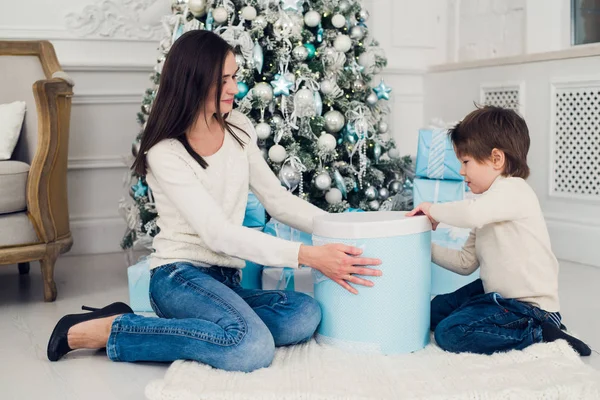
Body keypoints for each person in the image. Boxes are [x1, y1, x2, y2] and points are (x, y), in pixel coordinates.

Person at [47, 30, 382, 371]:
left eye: (234, 77)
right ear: (193, 80)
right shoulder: (166, 152)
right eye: (223, 80)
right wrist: (309, 256)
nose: (235, 88)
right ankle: (110, 330)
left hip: (225, 280)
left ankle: (207, 330)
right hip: (178, 276)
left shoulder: (238, 127)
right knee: (250, 348)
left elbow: (277, 200)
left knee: (304, 314)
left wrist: (338, 228)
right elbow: (217, 234)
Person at [408, 106, 591, 356]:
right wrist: (421, 246)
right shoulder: (487, 206)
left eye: (465, 162)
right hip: (495, 294)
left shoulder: (514, 190)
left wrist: (434, 209)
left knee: (450, 333)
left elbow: (472, 213)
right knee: (434, 311)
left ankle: (539, 331)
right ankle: (492, 315)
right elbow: (465, 263)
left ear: (496, 159)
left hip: (528, 307)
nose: (461, 171)